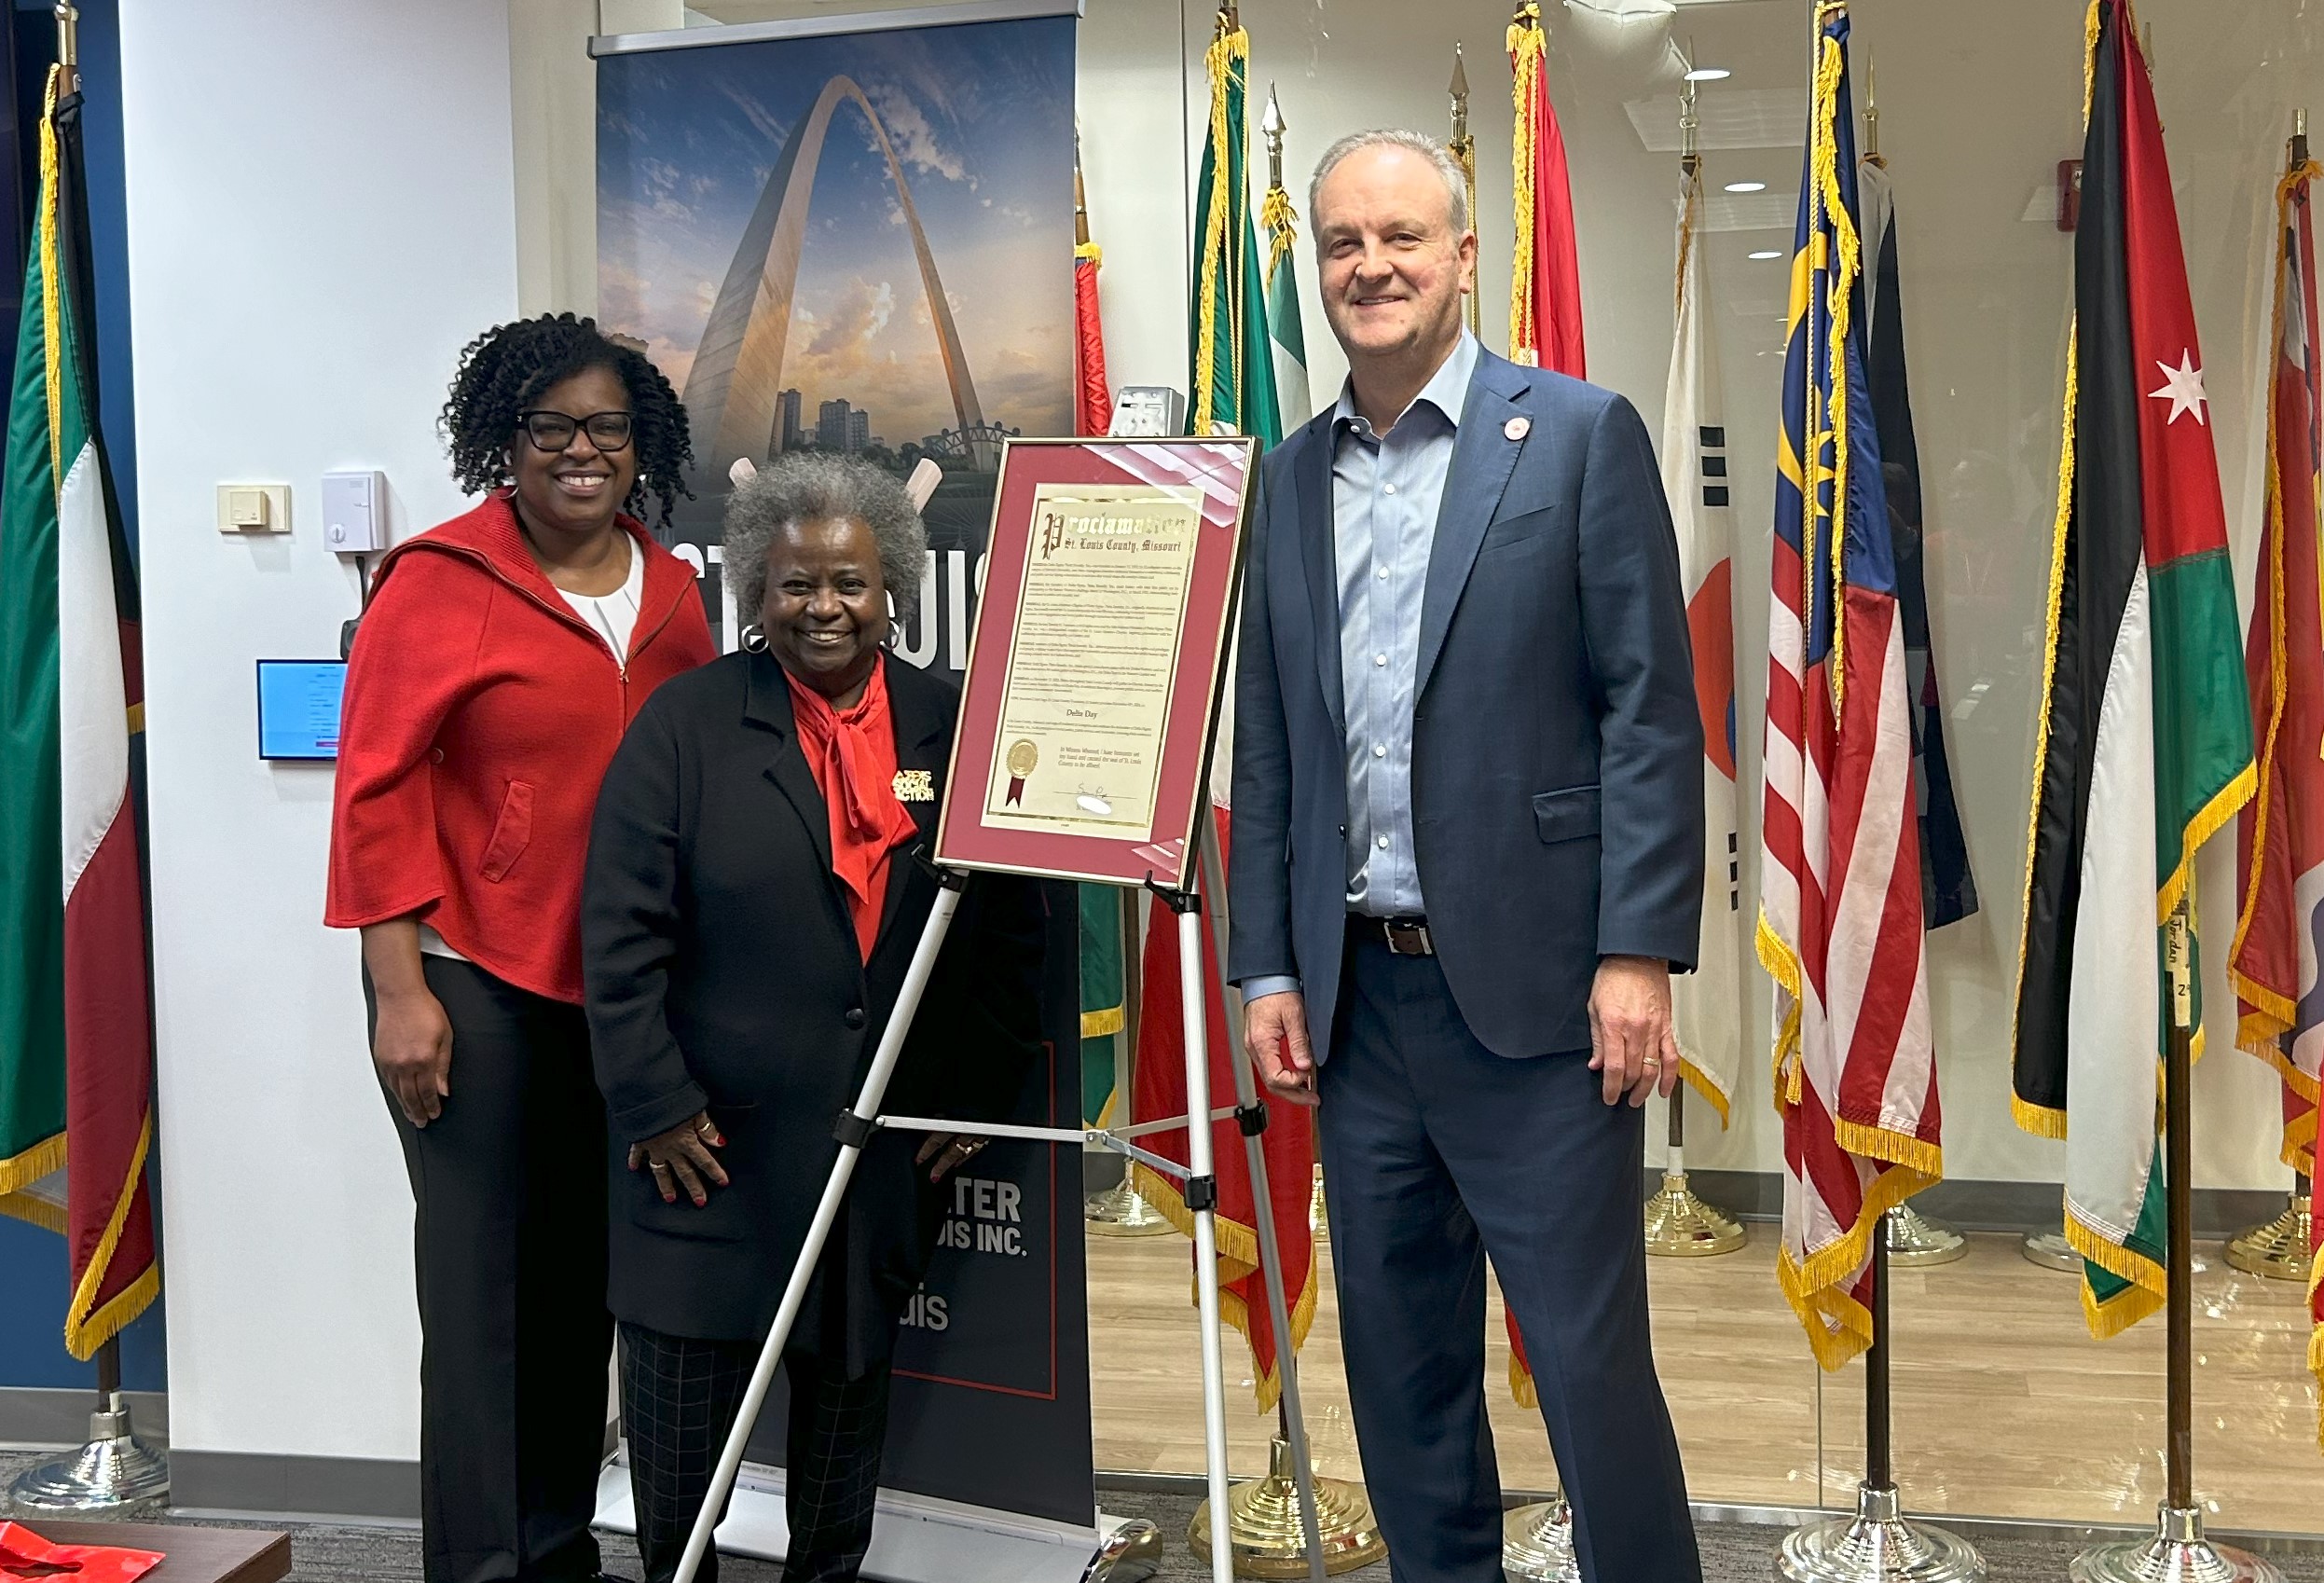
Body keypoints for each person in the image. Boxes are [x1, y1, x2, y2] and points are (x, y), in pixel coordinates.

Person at [1227, 130, 1706, 1583]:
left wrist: (1636, 953)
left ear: (1463, 255)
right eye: (1342, 244)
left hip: (1541, 1003)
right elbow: (1269, 749)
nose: (1370, 267)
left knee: (1583, 1367)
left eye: (1401, 238)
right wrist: (1263, 960)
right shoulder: (1287, 477)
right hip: (1359, 1007)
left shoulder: (1574, 434)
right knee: (1403, 1372)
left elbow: (1648, 709)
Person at [583, 453, 1043, 1583]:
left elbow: (1013, 937)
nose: (824, 608)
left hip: (871, 1170)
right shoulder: (683, 728)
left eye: (850, 583)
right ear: (753, 589)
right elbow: (619, 934)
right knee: (682, 1508)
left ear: (893, 589)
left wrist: (972, 1101)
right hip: (705, 1165)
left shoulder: (954, 724)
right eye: (795, 585)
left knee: (836, 1502)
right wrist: (653, 1102)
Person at [326, 312, 716, 1583]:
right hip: (470, 978)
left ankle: (557, 1550)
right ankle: (486, 1567)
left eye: (606, 426)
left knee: (578, 1292)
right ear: (507, 438)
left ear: (638, 440)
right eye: (551, 427)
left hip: (617, 993)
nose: (580, 451)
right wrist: (399, 988)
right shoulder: (435, 581)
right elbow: (374, 790)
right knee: (485, 1302)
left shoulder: (673, 594)